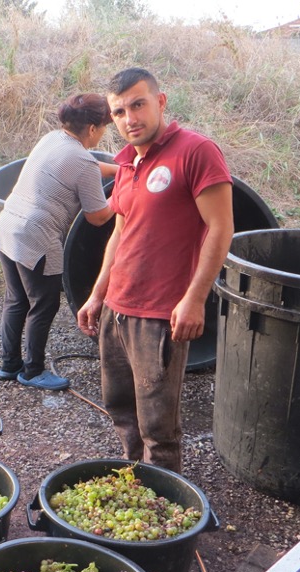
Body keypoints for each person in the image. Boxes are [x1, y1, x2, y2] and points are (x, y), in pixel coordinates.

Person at [77, 68, 234, 473]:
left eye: (138, 104)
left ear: (160, 102)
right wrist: (97, 295)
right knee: (120, 408)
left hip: (160, 314)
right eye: (119, 111)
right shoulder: (126, 163)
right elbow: (119, 234)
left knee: (158, 426)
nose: (130, 117)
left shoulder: (196, 151)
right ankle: (134, 480)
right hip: (117, 307)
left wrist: (195, 299)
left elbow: (221, 228)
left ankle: (161, 508)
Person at [0, 93, 117, 391]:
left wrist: (119, 171)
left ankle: (9, 365)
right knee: (44, 303)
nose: (103, 133)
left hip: (9, 225)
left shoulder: (52, 140)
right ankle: (33, 371)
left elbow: (85, 167)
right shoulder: (83, 160)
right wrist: (122, 196)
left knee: (16, 299)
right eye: (103, 127)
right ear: (91, 129)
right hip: (36, 237)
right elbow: (98, 217)